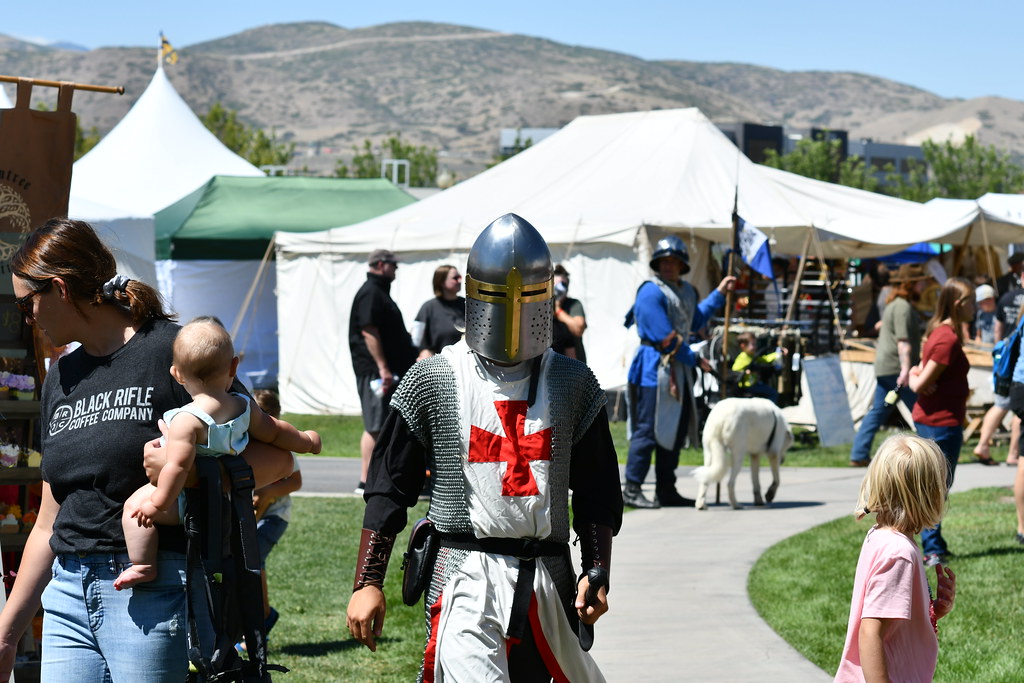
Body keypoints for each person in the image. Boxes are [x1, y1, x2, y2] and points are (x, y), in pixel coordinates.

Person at [0, 218, 293, 683]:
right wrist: (7, 635)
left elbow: (279, 460)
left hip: (154, 590)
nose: (26, 317)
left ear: (58, 288)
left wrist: (190, 474)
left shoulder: (173, 353)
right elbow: (48, 523)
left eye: (26, 303)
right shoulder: (60, 377)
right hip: (66, 596)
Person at [345, 214, 623, 681]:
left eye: (527, 296)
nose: (513, 311)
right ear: (476, 296)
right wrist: (367, 581)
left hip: (547, 580)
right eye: (498, 295)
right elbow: (390, 483)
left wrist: (596, 570)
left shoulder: (573, 383)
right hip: (464, 576)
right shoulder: (434, 378)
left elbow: (598, 488)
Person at [115, 319, 321, 589]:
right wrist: (306, 441)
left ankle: (144, 565)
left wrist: (158, 502)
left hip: (185, 499)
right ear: (234, 367)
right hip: (227, 497)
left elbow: (177, 467)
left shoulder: (186, 420)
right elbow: (275, 431)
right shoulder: (244, 406)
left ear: (177, 374)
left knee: (132, 508)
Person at [622, 235, 735, 508]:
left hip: (679, 370)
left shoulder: (686, 291)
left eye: (674, 261)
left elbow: (694, 319)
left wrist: (719, 293)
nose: (668, 265)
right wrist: (694, 359)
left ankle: (666, 489)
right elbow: (665, 338)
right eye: (664, 260)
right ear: (657, 263)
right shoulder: (650, 291)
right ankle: (632, 488)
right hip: (653, 369)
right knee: (648, 429)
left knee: (674, 430)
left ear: (682, 264)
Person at [834, 433, 957, 682]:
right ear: (928, 495)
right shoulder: (899, 553)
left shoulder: (880, 536)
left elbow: (891, 621)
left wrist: (930, 612)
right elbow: (871, 633)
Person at [908, 277, 974, 567]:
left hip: (939, 420)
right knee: (935, 487)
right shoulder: (947, 338)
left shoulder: (940, 332)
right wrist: (916, 377)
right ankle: (932, 549)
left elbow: (920, 371)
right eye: (971, 301)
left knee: (935, 485)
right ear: (959, 304)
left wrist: (916, 375)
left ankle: (936, 543)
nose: (974, 307)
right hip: (940, 423)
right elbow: (920, 381)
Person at [349, 248, 417, 494]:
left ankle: (378, 477)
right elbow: (369, 331)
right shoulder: (371, 292)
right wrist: (383, 368)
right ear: (380, 264)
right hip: (376, 372)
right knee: (376, 425)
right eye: (393, 265)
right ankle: (365, 481)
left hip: (386, 370)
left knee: (384, 424)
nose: (396, 269)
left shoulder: (379, 292)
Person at [849, 263, 927, 467]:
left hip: (889, 367)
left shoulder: (897, 304)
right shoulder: (902, 307)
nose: (924, 286)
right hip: (897, 368)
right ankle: (932, 450)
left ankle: (859, 453)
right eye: (920, 282)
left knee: (880, 410)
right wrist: (906, 370)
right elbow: (903, 342)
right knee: (921, 409)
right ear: (910, 284)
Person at [249, 389, 304, 645]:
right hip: (251, 514)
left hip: (275, 516)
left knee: (254, 559)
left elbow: (296, 481)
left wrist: (269, 492)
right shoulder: (246, 441)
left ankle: (261, 618)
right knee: (247, 561)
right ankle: (258, 618)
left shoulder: (282, 444)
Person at [411, 264, 466, 360]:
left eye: (460, 277)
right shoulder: (428, 308)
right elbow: (416, 340)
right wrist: (424, 351)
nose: (460, 281)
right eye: (455, 278)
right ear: (441, 282)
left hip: (467, 362)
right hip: (441, 364)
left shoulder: (468, 305)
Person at [731, 331, 783, 402]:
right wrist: (744, 372)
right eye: (753, 344)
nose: (755, 347)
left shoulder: (752, 356)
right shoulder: (743, 357)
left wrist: (777, 354)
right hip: (747, 386)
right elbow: (734, 371)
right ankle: (769, 408)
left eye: (756, 344)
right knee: (773, 393)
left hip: (754, 383)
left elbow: (765, 359)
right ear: (743, 346)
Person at [551, 264, 587, 362]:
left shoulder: (573, 304)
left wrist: (557, 310)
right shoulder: (543, 305)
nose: (560, 289)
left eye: (563, 285)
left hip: (574, 364)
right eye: (556, 285)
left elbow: (578, 329)